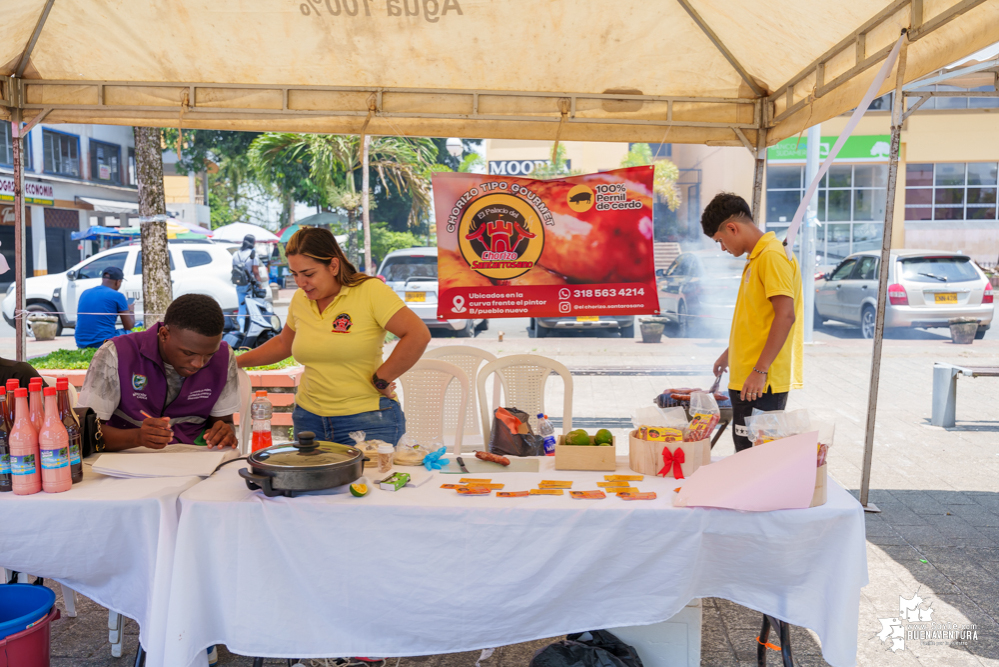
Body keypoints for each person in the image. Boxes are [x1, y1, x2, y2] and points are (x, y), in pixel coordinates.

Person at [236, 227, 431, 445]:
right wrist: (235, 362)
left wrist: (382, 378)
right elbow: (284, 344)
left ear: (334, 265)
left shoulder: (370, 291)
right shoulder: (301, 299)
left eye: (309, 274)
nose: (301, 283)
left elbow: (417, 334)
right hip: (308, 420)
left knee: (373, 481)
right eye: (294, 274)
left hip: (368, 420)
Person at [701, 193, 803, 452]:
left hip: (760, 383)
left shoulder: (772, 256)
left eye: (720, 241)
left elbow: (785, 315)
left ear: (732, 228)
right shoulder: (757, 258)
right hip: (749, 378)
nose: (723, 248)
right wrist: (729, 353)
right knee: (746, 454)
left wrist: (760, 370)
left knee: (756, 458)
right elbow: (756, 318)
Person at [77, 294, 240, 451]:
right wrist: (136, 437)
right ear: (164, 335)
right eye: (188, 353)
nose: (199, 364)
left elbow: (224, 422)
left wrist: (224, 432)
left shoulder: (224, 356)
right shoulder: (116, 353)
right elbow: (86, 432)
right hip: (127, 462)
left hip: (195, 460)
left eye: (209, 355)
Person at [74, 266, 135, 348]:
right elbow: (129, 327)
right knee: (138, 328)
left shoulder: (85, 293)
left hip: (81, 343)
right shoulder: (118, 296)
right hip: (104, 342)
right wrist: (131, 310)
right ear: (118, 282)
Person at [232, 234, 266, 331]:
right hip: (250, 285)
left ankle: (241, 331)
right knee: (254, 310)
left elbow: (234, 270)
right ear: (253, 242)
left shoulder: (236, 254)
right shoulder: (253, 254)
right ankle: (255, 331)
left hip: (239, 285)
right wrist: (260, 286)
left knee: (241, 310)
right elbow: (255, 272)